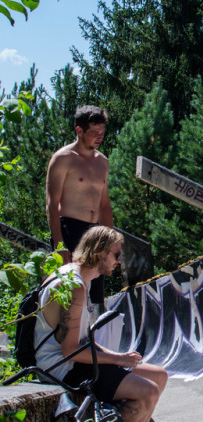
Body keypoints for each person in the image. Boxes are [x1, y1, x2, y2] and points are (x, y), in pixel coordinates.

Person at [34, 226, 168, 422]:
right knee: (148, 392)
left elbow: (83, 339)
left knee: (158, 375)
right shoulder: (74, 285)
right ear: (99, 252)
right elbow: (70, 350)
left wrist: (121, 358)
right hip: (61, 367)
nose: (118, 261)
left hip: (73, 360)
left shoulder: (77, 278)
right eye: (116, 255)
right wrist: (116, 359)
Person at [46, 105, 112, 308]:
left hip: (96, 232)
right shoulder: (63, 159)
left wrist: (111, 241)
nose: (99, 137)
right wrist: (59, 244)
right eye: (94, 133)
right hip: (70, 230)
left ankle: (90, 335)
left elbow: (105, 206)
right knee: (71, 292)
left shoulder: (102, 162)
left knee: (96, 294)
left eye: (102, 132)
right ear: (79, 130)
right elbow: (51, 204)